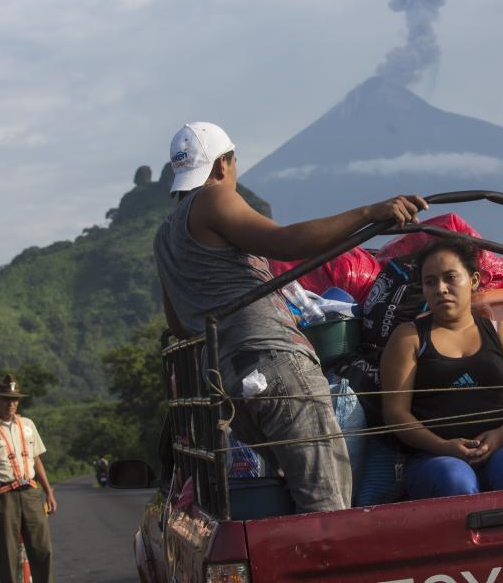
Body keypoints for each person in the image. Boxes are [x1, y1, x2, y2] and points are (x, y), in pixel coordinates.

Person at [153, 121, 427, 512]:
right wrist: (371, 211)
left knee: (303, 496)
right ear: (225, 164)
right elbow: (285, 242)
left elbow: (179, 323)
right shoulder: (213, 198)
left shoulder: (165, 235)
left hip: (230, 380)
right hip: (273, 361)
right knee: (327, 503)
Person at [380, 238, 503, 499]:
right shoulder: (408, 337)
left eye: (450, 277)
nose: (441, 289)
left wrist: (500, 436)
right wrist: (444, 447)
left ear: (474, 280)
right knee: (455, 480)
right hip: (433, 458)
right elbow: (396, 413)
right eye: (430, 282)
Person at [0, 374, 56, 583]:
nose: (11, 404)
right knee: (8, 555)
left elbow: (37, 461)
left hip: (31, 494)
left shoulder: (27, 425)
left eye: (15, 399)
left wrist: (49, 493)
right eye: (6, 399)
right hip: (4, 498)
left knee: (43, 549)